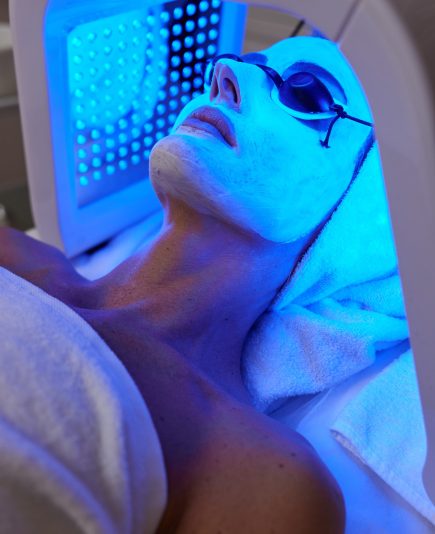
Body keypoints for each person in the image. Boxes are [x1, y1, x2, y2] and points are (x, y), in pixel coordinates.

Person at [0, 36, 370, 532]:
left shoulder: (254, 475)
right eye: (243, 64)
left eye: (308, 96)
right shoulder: (16, 259)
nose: (225, 76)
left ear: (365, 217)